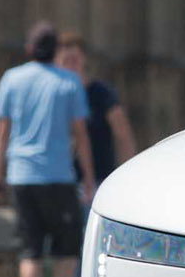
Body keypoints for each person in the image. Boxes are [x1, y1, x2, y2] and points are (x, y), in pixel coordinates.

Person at [0, 21, 94, 277]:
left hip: (20, 175)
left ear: (28, 49)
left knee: (30, 251)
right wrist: (88, 176)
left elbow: (2, 130)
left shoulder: (11, 78)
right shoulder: (69, 83)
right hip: (58, 175)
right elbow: (80, 133)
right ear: (57, 51)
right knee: (68, 247)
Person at [56, 32, 138, 190]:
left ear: (84, 59)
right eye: (66, 61)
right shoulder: (53, 95)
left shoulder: (101, 93)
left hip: (98, 181)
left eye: (74, 59)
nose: (71, 65)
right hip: (61, 182)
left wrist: (128, 177)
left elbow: (123, 136)